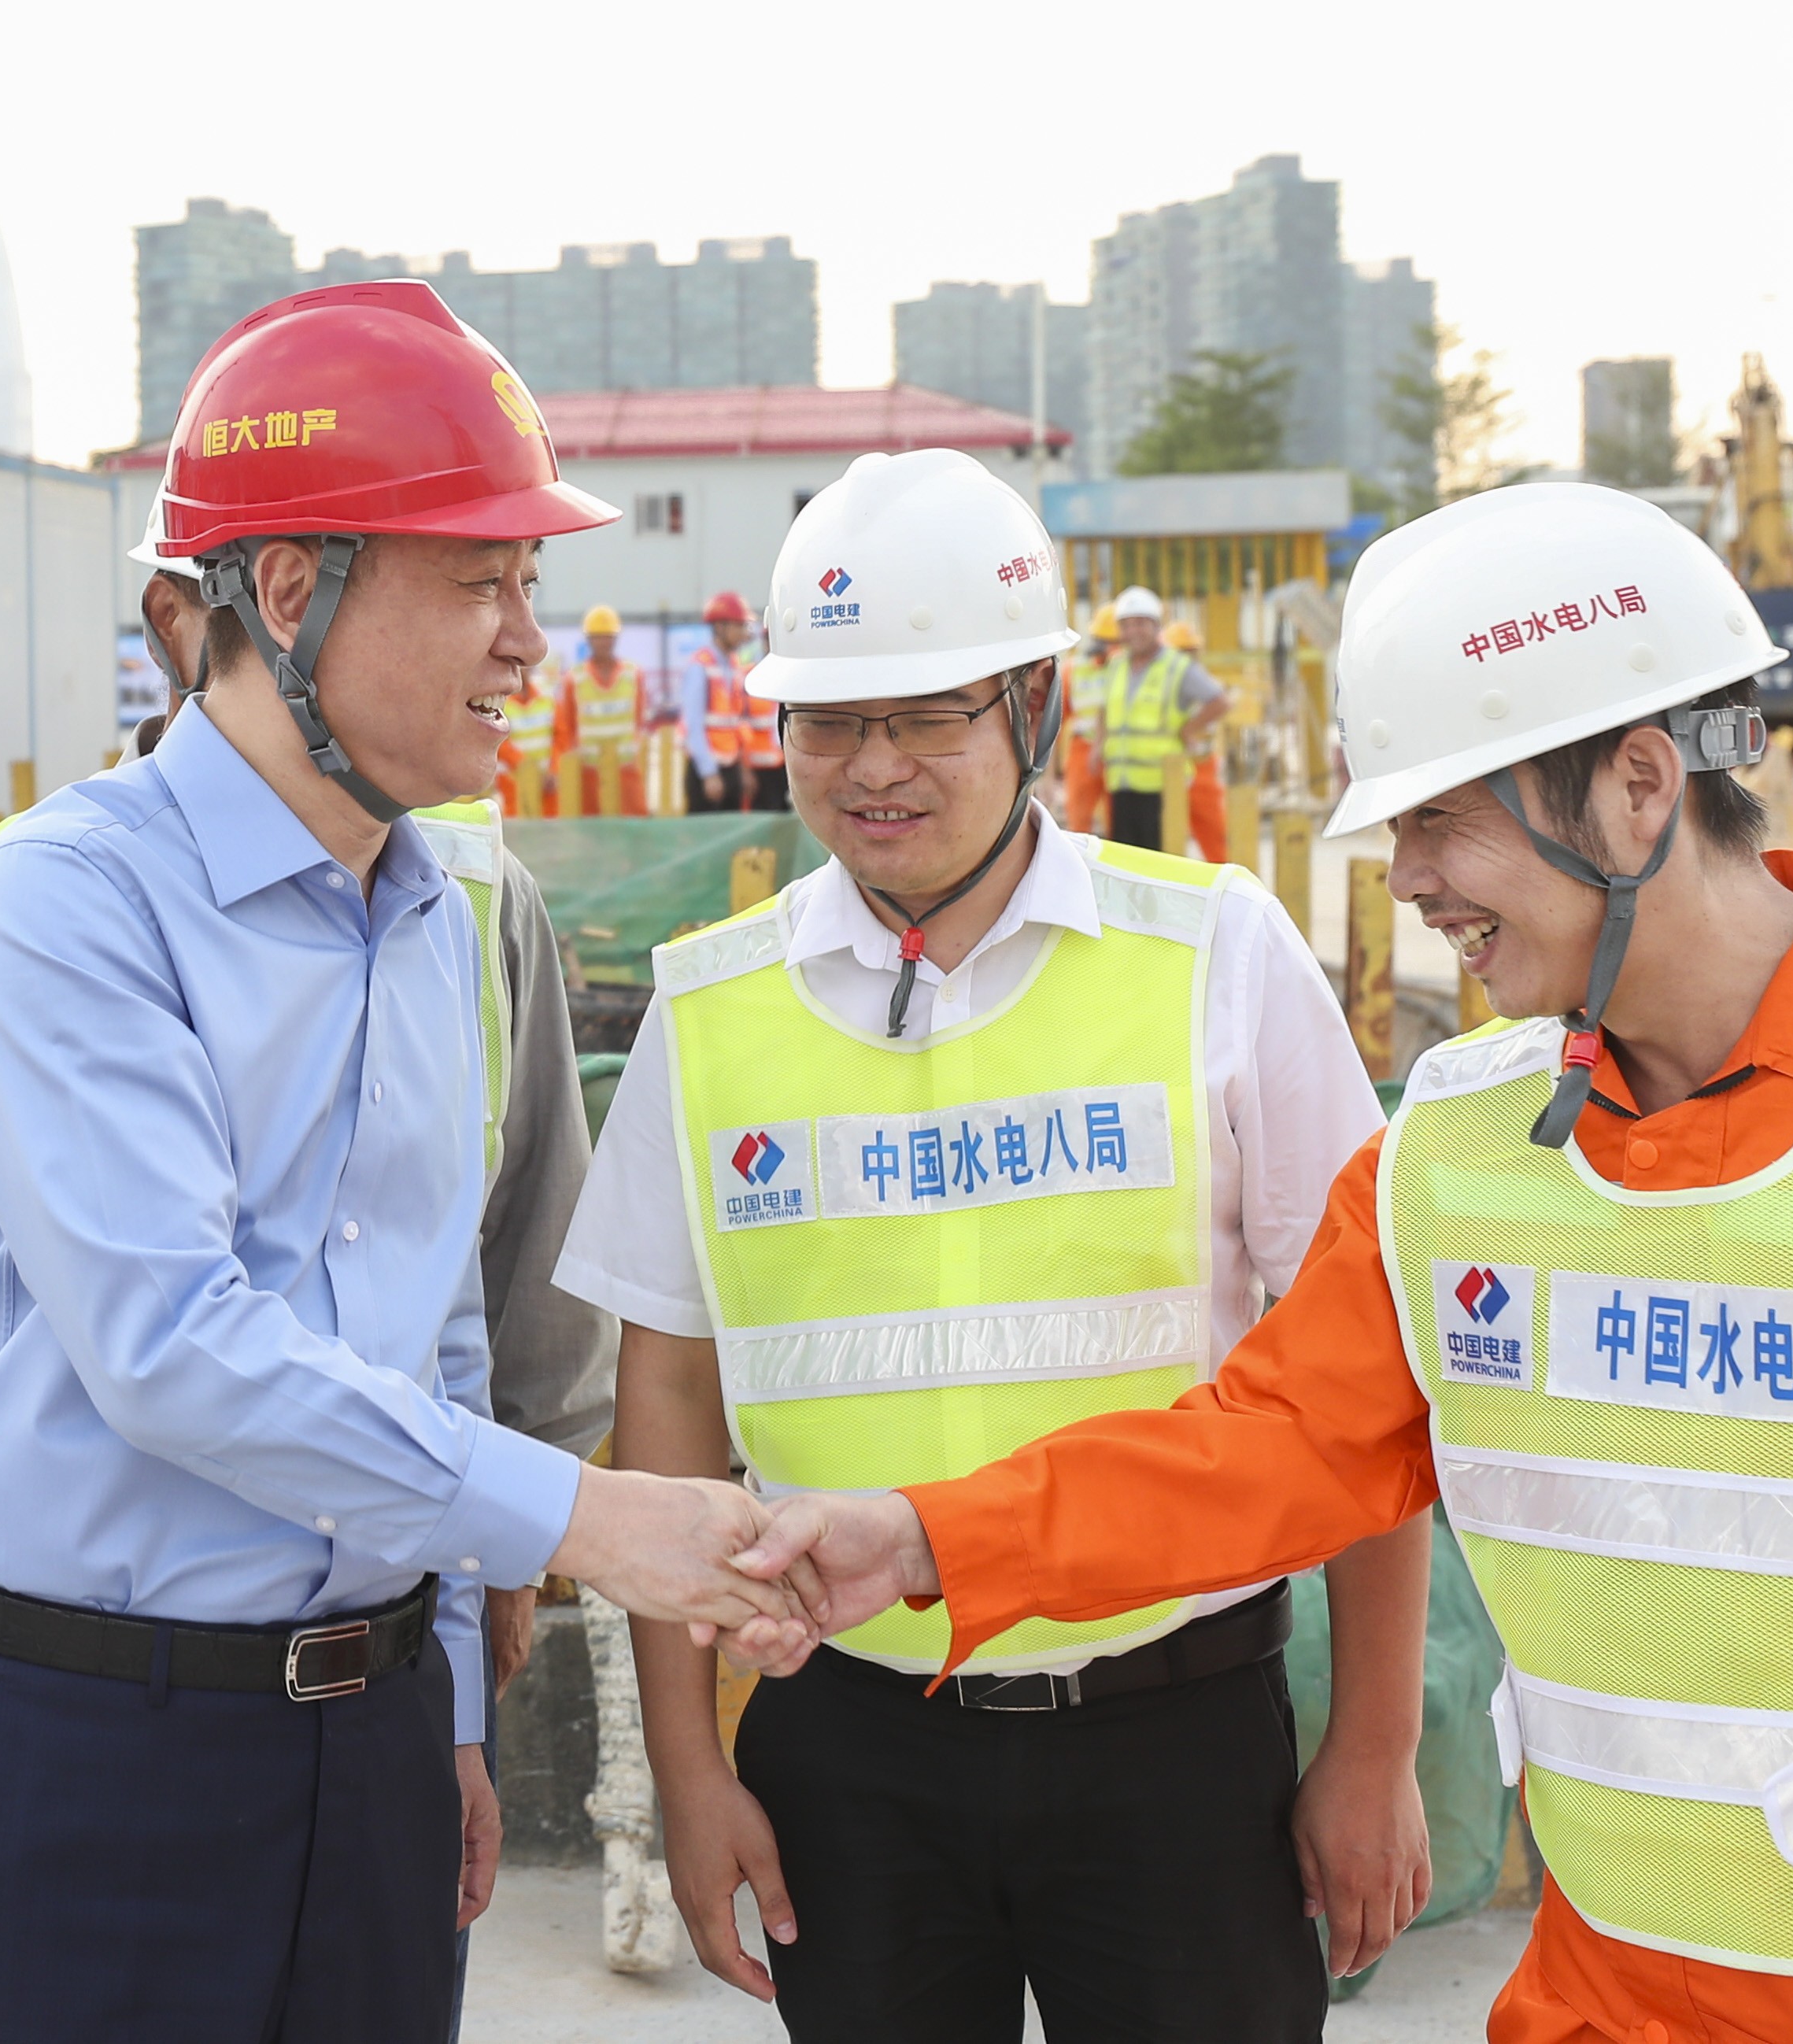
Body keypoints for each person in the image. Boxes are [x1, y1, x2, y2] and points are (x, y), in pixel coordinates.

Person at [740, 484, 1793, 2043]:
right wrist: (924, 1536)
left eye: (1446, 823)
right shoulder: (1456, 1152)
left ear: (1635, 782)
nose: (1409, 885)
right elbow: (1260, 1448)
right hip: (1612, 1988)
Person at [0, 279, 809, 2044]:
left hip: (377, 1741)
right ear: (290, 594)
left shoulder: (452, 904)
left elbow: (435, 1315)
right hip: (93, 1747)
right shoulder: (61, 911)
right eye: (479, 579)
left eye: (528, 582)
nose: (530, 640)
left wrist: (445, 1693)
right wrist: (601, 1520)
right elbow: (175, 1344)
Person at [553, 448, 1433, 2043]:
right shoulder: (709, 1007)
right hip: (850, 1750)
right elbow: (666, 1398)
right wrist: (690, 1770)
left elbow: (1361, 1378)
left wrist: (1370, 1739)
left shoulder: (1215, 956)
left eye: (926, 714)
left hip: (1175, 1731)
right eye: (828, 718)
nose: (870, 764)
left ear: (1038, 706)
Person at [1096, 586, 1226, 850]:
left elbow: (1219, 701)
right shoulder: (1117, 665)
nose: (1133, 632)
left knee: (1159, 863)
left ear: (1156, 626)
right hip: (1121, 782)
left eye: (1141, 624)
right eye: (1127, 625)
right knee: (1125, 863)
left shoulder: (1176, 666)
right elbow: (1106, 709)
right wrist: (1098, 746)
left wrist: (1189, 730)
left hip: (1163, 786)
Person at [556, 602, 647, 816]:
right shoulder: (575, 679)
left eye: (608, 636)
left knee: (634, 826)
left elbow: (638, 720)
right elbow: (568, 726)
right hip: (589, 773)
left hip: (626, 770)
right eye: (598, 637)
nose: (603, 643)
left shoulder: (633, 674)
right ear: (588, 640)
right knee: (593, 831)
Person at [1164, 618, 1233, 862]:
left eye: (1189, 651)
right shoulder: (1169, 678)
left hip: (1199, 765)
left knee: (1213, 835)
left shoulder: (1193, 678)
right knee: (1169, 838)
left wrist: (1188, 730)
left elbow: (1221, 703)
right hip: (1174, 767)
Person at [684, 591, 754, 812]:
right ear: (720, 627)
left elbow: (736, 723)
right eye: (739, 626)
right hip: (707, 773)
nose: (744, 633)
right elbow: (693, 725)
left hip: (731, 769)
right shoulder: (700, 666)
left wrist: (742, 769)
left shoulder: (734, 665)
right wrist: (709, 774)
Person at [1059, 603, 1115, 832]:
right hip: (1084, 749)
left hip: (1122, 753)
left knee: (1121, 825)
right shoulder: (1075, 669)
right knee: (1079, 820)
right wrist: (1049, 774)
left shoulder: (1132, 668)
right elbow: (1056, 722)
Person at [493, 658, 559, 817]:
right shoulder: (499, 701)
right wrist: (528, 769)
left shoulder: (547, 697)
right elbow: (500, 742)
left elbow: (560, 737)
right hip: (514, 784)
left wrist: (553, 770)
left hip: (547, 786)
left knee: (549, 832)